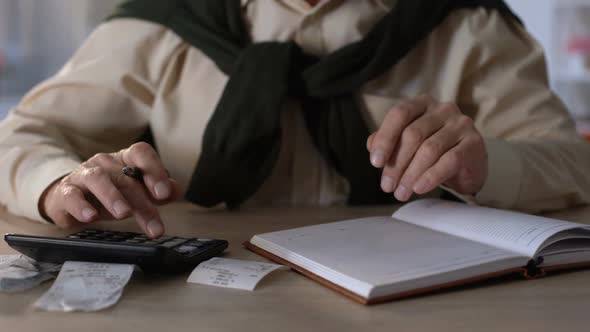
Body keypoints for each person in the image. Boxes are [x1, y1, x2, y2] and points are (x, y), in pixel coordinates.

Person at [1, 0, 589, 239]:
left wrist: (485, 165)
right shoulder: (163, 22)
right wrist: (57, 184)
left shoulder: (466, 25)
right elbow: (20, 137)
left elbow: (574, 159)